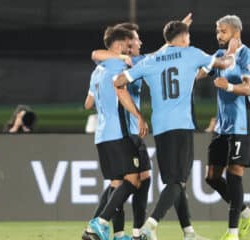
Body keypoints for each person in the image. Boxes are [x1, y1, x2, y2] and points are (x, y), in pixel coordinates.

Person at [113, 20, 237, 240]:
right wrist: (233, 53)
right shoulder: (190, 53)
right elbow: (223, 64)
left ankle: (188, 233)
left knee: (174, 182)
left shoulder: (151, 59)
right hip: (181, 126)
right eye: (188, 36)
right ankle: (150, 226)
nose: (189, 40)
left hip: (160, 129)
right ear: (183, 38)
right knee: (178, 182)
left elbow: (120, 81)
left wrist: (137, 114)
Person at [87, 22, 152, 240]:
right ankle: (100, 223)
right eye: (129, 41)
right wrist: (138, 115)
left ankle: (117, 234)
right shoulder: (116, 65)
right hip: (120, 132)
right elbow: (120, 91)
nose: (132, 45)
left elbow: (88, 103)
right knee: (133, 180)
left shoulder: (98, 71)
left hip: (103, 133)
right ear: (119, 45)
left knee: (117, 184)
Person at [199, 15, 250, 240]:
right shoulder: (219, 56)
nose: (218, 36)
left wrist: (229, 86)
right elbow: (199, 74)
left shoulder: (247, 56)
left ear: (236, 32)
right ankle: (246, 213)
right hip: (222, 127)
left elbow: (247, 88)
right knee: (212, 177)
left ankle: (232, 232)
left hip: (242, 125)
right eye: (217, 31)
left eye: (222, 32)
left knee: (234, 174)